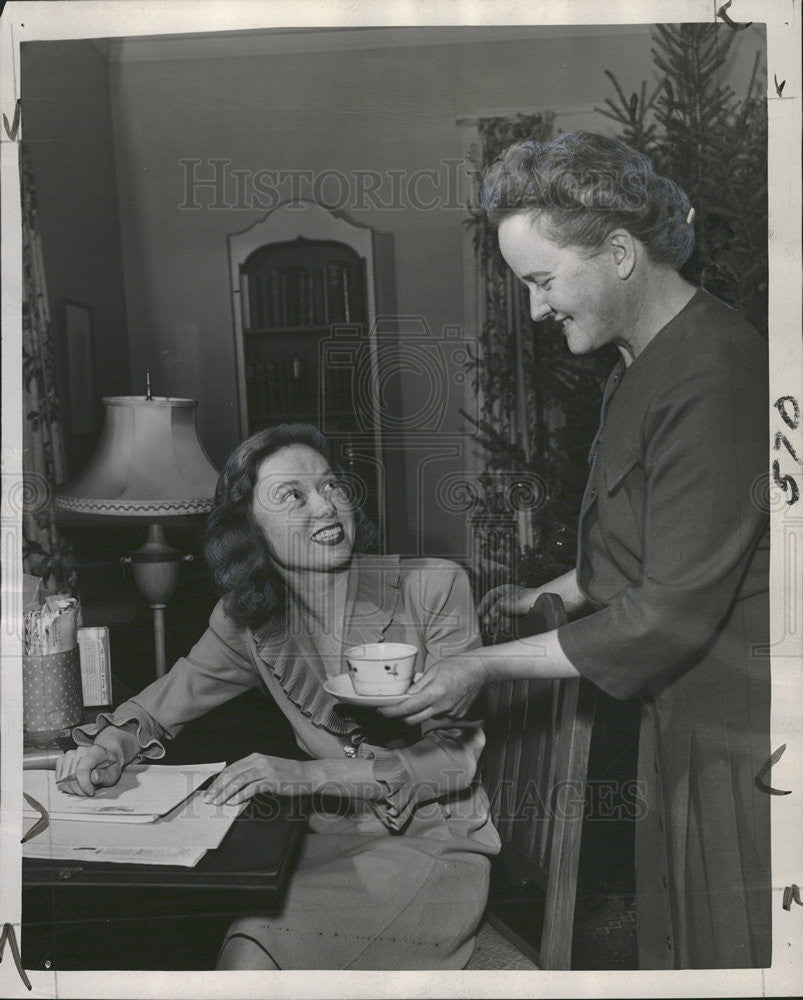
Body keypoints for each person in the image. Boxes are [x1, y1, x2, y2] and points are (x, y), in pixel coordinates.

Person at [382, 131, 771, 969]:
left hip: (743, 746)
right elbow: (645, 543)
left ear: (621, 253)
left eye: (542, 281)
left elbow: (666, 613)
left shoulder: (718, 375)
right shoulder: (644, 362)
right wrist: (550, 590)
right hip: (683, 727)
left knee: (735, 956)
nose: (534, 310)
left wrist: (483, 666)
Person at [56, 423, 500, 970]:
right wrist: (112, 745)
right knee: (190, 930)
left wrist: (304, 775)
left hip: (431, 844)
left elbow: (456, 758)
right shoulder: (250, 619)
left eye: (332, 486)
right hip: (314, 841)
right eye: (293, 495)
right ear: (251, 528)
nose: (326, 507)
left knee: (251, 946)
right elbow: (163, 704)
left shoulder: (434, 586)